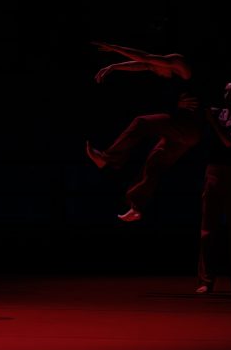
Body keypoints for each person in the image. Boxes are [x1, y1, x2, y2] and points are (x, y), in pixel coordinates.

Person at [85, 41, 201, 222]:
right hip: (183, 134)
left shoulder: (179, 62)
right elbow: (143, 64)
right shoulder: (166, 68)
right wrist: (114, 67)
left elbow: (145, 58)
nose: (156, 73)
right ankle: (137, 207)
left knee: (142, 123)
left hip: (189, 127)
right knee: (155, 163)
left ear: (162, 61)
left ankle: (109, 158)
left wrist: (115, 49)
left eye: (156, 69)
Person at [196, 81, 231, 294]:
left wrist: (212, 122)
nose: (228, 95)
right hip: (212, 171)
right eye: (226, 91)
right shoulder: (216, 112)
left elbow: (229, 143)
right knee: (207, 228)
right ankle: (206, 280)